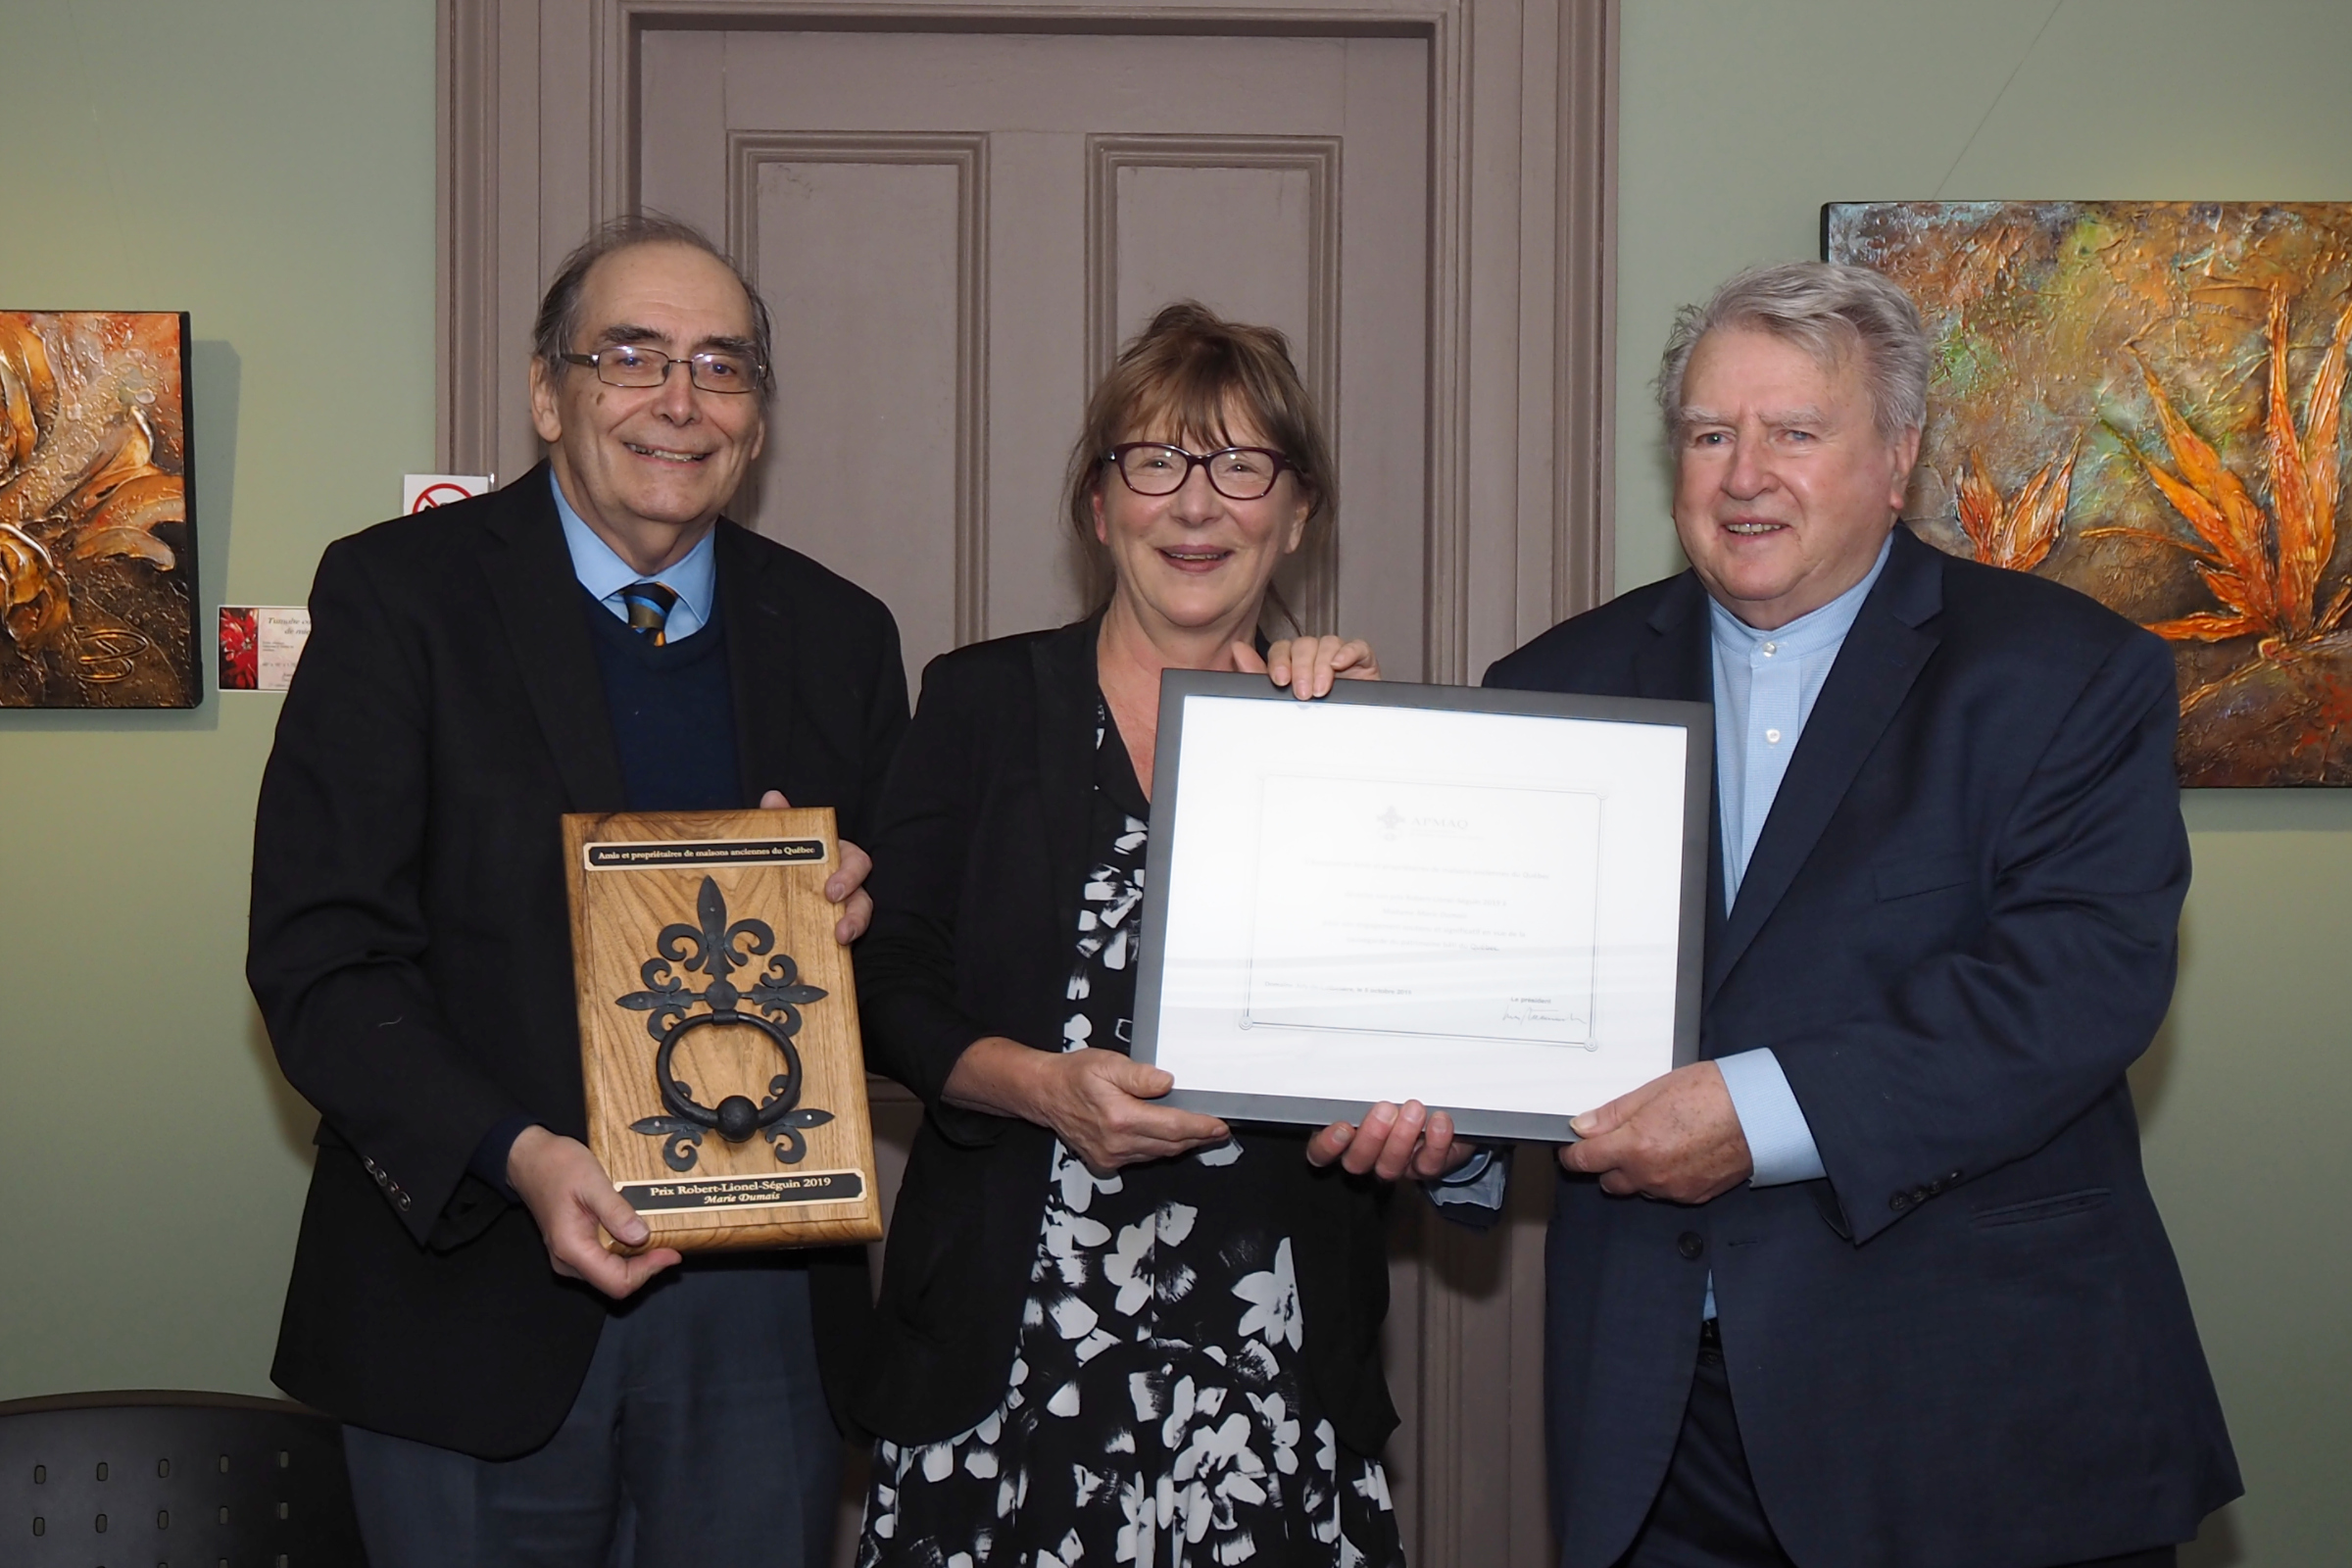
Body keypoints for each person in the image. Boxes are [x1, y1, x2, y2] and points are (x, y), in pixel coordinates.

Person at [1484, 261, 2240, 1568]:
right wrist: (1447, 1121)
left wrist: (1754, 1115)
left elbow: (2075, 984)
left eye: (1794, 433)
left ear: (1898, 459)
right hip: (1661, 1425)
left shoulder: (2066, 674)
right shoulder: (1556, 685)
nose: (1743, 474)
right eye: (1712, 434)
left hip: (1974, 1415)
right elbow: (1500, 988)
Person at [247, 215, 907, 1566]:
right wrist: (520, 1155)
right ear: (549, 395)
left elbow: (898, 979)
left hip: (760, 1323)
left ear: (758, 422)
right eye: (633, 355)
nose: (680, 399)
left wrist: (856, 924)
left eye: (722, 367)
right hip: (471, 1292)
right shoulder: (397, 597)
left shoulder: (841, 636)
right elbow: (322, 962)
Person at [849, 302, 1474, 1567]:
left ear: (1297, 513)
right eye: (1155, 461)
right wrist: (1034, 1086)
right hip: (1009, 1364)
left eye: (1242, 465)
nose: (1196, 504)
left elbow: (1428, 1034)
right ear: (1098, 505)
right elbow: (884, 983)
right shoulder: (978, 704)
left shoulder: (1359, 739)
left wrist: (1426, 1122)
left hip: (1272, 1372)